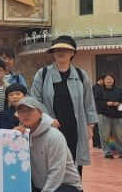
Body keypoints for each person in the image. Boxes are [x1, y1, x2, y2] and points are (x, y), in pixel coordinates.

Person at [13, 96, 86, 192]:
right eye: (21, 112)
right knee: (11, 183)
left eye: (29, 111)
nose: (25, 114)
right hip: (40, 184)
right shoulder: (22, 134)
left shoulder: (54, 137)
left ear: (40, 112)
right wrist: (13, 136)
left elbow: (56, 173)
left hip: (65, 184)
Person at [31, 36, 98, 177]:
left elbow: (88, 102)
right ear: (53, 53)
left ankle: (74, 189)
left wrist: (89, 125)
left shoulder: (81, 75)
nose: (61, 52)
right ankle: (54, 189)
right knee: (52, 163)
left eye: (65, 50)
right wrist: (47, 119)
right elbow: (36, 101)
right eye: (57, 50)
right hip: (51, 127)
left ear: (72, 53)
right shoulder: (42, 74)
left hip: (75, 127)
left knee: (75, 162)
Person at [94, 74, 122, 159]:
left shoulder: (119, 90)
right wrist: (106, 103)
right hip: (104, 115)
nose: (108, 81)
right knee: (105, 135)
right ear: (104, 80)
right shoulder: (99, 90)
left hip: (117, 115)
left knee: (120, 134)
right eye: (107, 79)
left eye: (110, 79)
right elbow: (97, 102)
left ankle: (121, 151)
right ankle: (107, 152)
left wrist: (119, 103)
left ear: (113, 80)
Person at [91, 75, 104, 149]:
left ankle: (96, 143)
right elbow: (95, 100)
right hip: (96, 110)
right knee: (97, 128)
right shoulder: (95, 87)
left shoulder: (99, 87)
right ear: (101, 80)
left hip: (98, 110)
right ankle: (97, 143)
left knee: (97, 127)